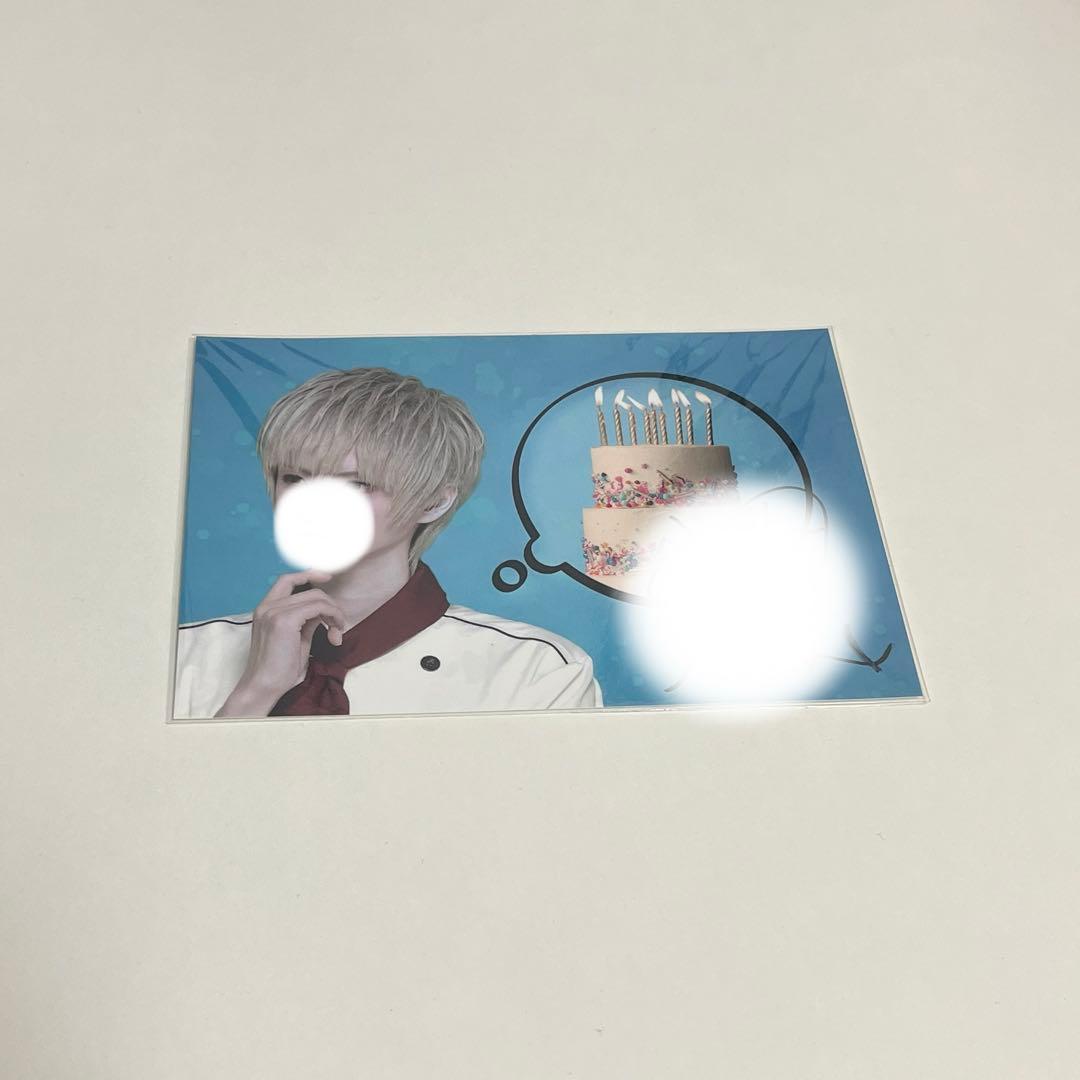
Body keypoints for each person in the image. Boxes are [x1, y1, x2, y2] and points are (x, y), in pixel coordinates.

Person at [173, 366, 603, 719]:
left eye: (355, 484)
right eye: (294, 478)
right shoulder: (182, 654)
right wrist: (257, 690)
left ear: (434, 501)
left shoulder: (536, 670)